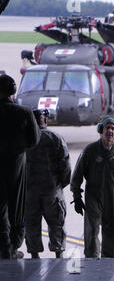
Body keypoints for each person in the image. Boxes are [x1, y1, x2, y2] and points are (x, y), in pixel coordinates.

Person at [70, 116, 114, 258]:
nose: (110, 131)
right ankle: (92, 268)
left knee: (113, 236)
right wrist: (76, 197)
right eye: (107, 128)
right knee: (92, 234)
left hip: (112, 198)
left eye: (113, 128)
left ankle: (111, 268)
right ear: (101, 130)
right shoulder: (90, 151)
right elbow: (77, 175)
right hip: (93, 197)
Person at [0, 74, 40, 259]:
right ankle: (14, 246)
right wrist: (18, 148)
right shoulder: (24, 112)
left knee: (1, 209)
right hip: (17, 165)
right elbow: (34, 140)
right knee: (17, 206)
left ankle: (5, 248)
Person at [25, 109, 71, 259]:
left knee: (32, 224)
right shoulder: (56, 138)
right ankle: (58, 253)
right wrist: (59, 185)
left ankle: (34, 255)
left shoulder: (25, 140)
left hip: (30, 192)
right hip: (52, 190)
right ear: (45, 120)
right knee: (56, 223)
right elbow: (66, 166)